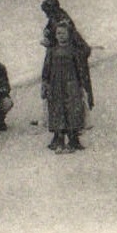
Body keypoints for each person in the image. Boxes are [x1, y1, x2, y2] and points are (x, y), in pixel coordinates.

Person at [41, 20, 91, 151]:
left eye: (64, 33)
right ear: (55, 35)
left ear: (69, 34)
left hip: (71, 83)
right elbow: (46, 69)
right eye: (58, 33)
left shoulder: (74, 51)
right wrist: (45, 84)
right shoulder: (51, 51)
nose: (61, 35)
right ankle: (59, 139)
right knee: (57, 109)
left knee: (73, 109)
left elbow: (80, 68)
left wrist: (83, 86)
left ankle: (73, 139)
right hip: (55, 84)